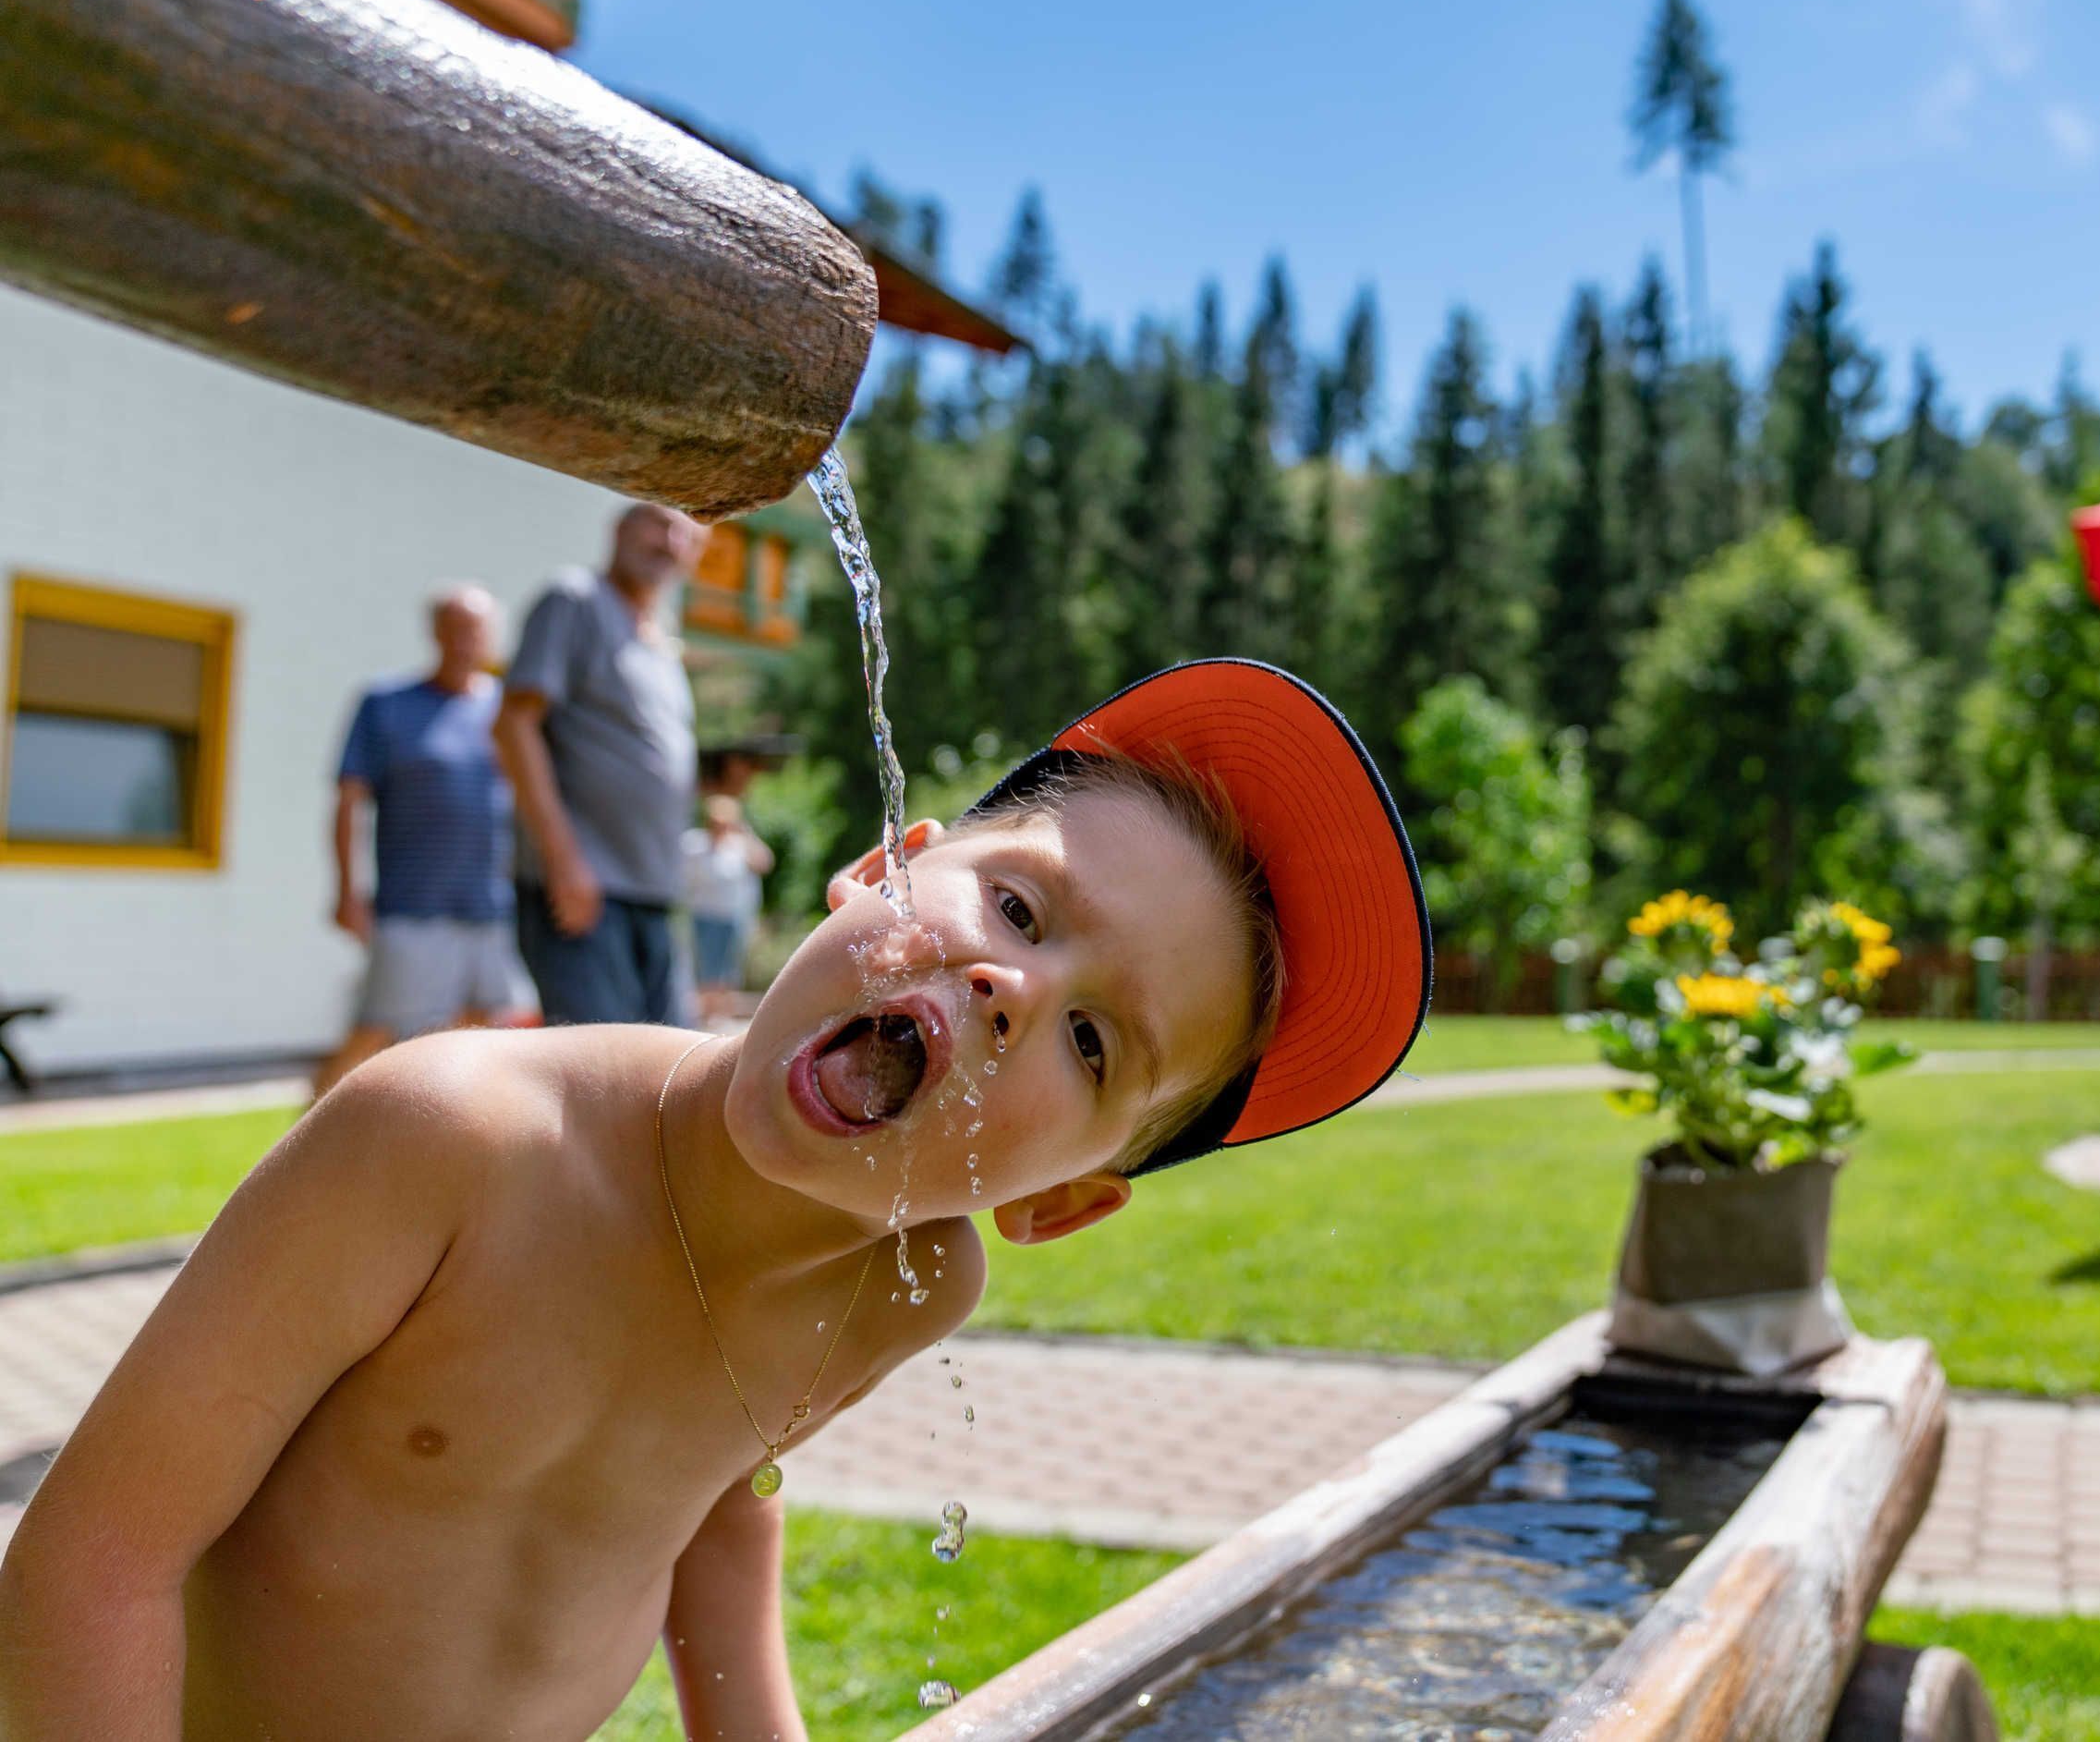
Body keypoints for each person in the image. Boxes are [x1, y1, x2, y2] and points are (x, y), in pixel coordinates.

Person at [0, 663, 1430, 1740]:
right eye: (1018, 907)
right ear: (878, 869)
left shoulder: (907, 1287)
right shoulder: (447, 1142)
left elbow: (713, 1496)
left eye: (1094, 1041)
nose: (1013, 987)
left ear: (1061, 1202)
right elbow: (94, 1562)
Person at [312, 586, 532, 1098]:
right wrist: (347, 891)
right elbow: (348, 802)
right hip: (411, 906)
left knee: (478, 1035)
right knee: (375, 1031)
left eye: (475, 629)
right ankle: (298, 1148)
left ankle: (434, 1138)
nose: (465, 640)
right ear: (435, 633)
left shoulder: (507, 715)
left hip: (490, 908)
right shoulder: (386, 704)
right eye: (454, 628)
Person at [496, 503, 710, 1028]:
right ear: (619, 528)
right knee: (599, 1079)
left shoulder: (660, 639)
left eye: (684, 533)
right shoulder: (575, 600)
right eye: (658, 523)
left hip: (652, 891)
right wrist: (563, 860)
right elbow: (514, 726)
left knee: (666, 1073)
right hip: (586, 889)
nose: (669, 542)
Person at [685, 793, 776, 1021]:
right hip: (704, 914)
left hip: (732, 916)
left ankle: (719, 1014)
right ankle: (706, 1016)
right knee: (707, 967)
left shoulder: (737, 846)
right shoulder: (695, 844)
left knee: (728, 968)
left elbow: (765, 862)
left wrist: (745, 832)